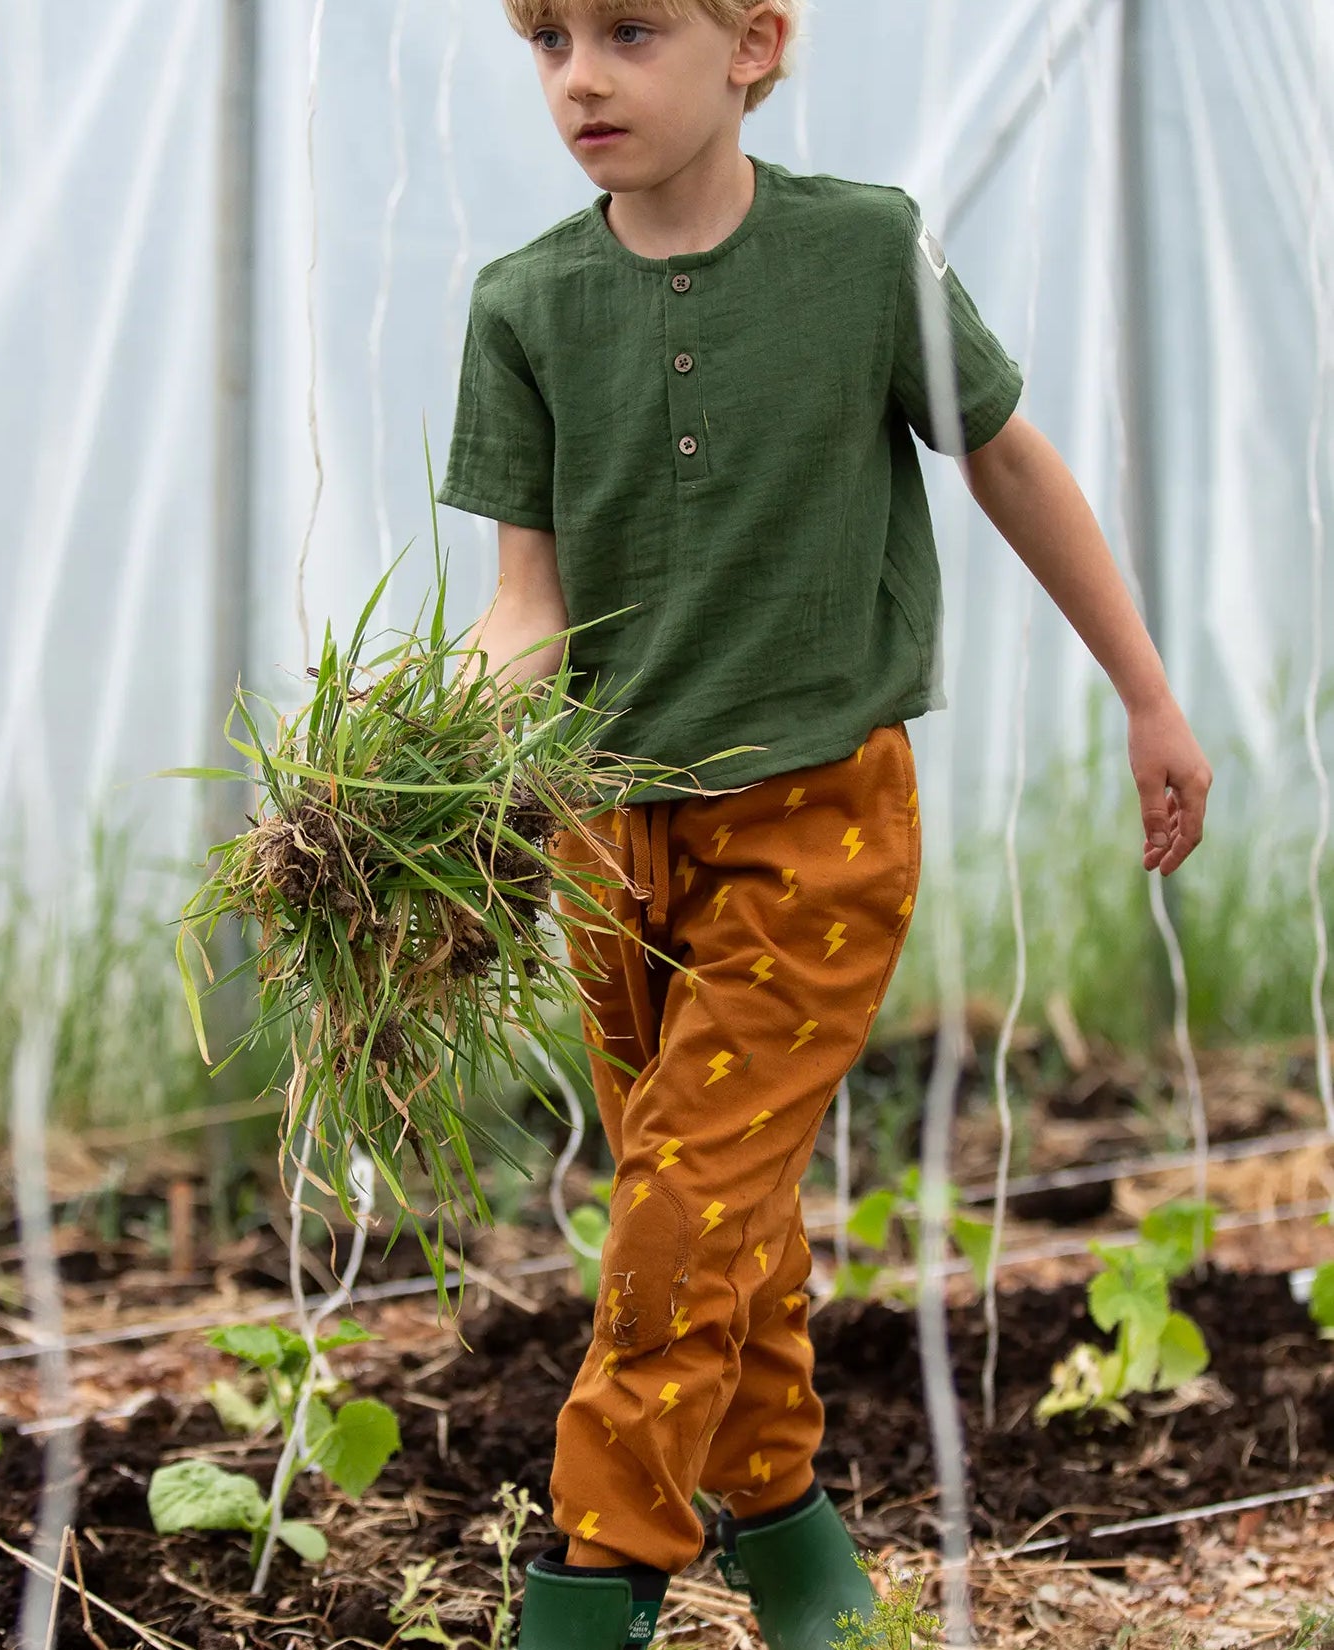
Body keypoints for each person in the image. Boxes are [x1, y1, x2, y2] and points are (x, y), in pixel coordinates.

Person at [437, 4, 1212, 1646]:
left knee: (680, 1203)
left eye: (631, 28)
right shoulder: (523, 302)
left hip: (818, 821)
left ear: (754, 46)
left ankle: (592, 1580)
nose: (581, 73)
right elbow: (526, 604)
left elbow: (1006, 461)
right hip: (609, 835)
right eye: (550, 38)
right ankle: (797, 1554)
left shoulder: (866, 257)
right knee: (718, 1202)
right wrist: (436, 788)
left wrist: (1147, 691)